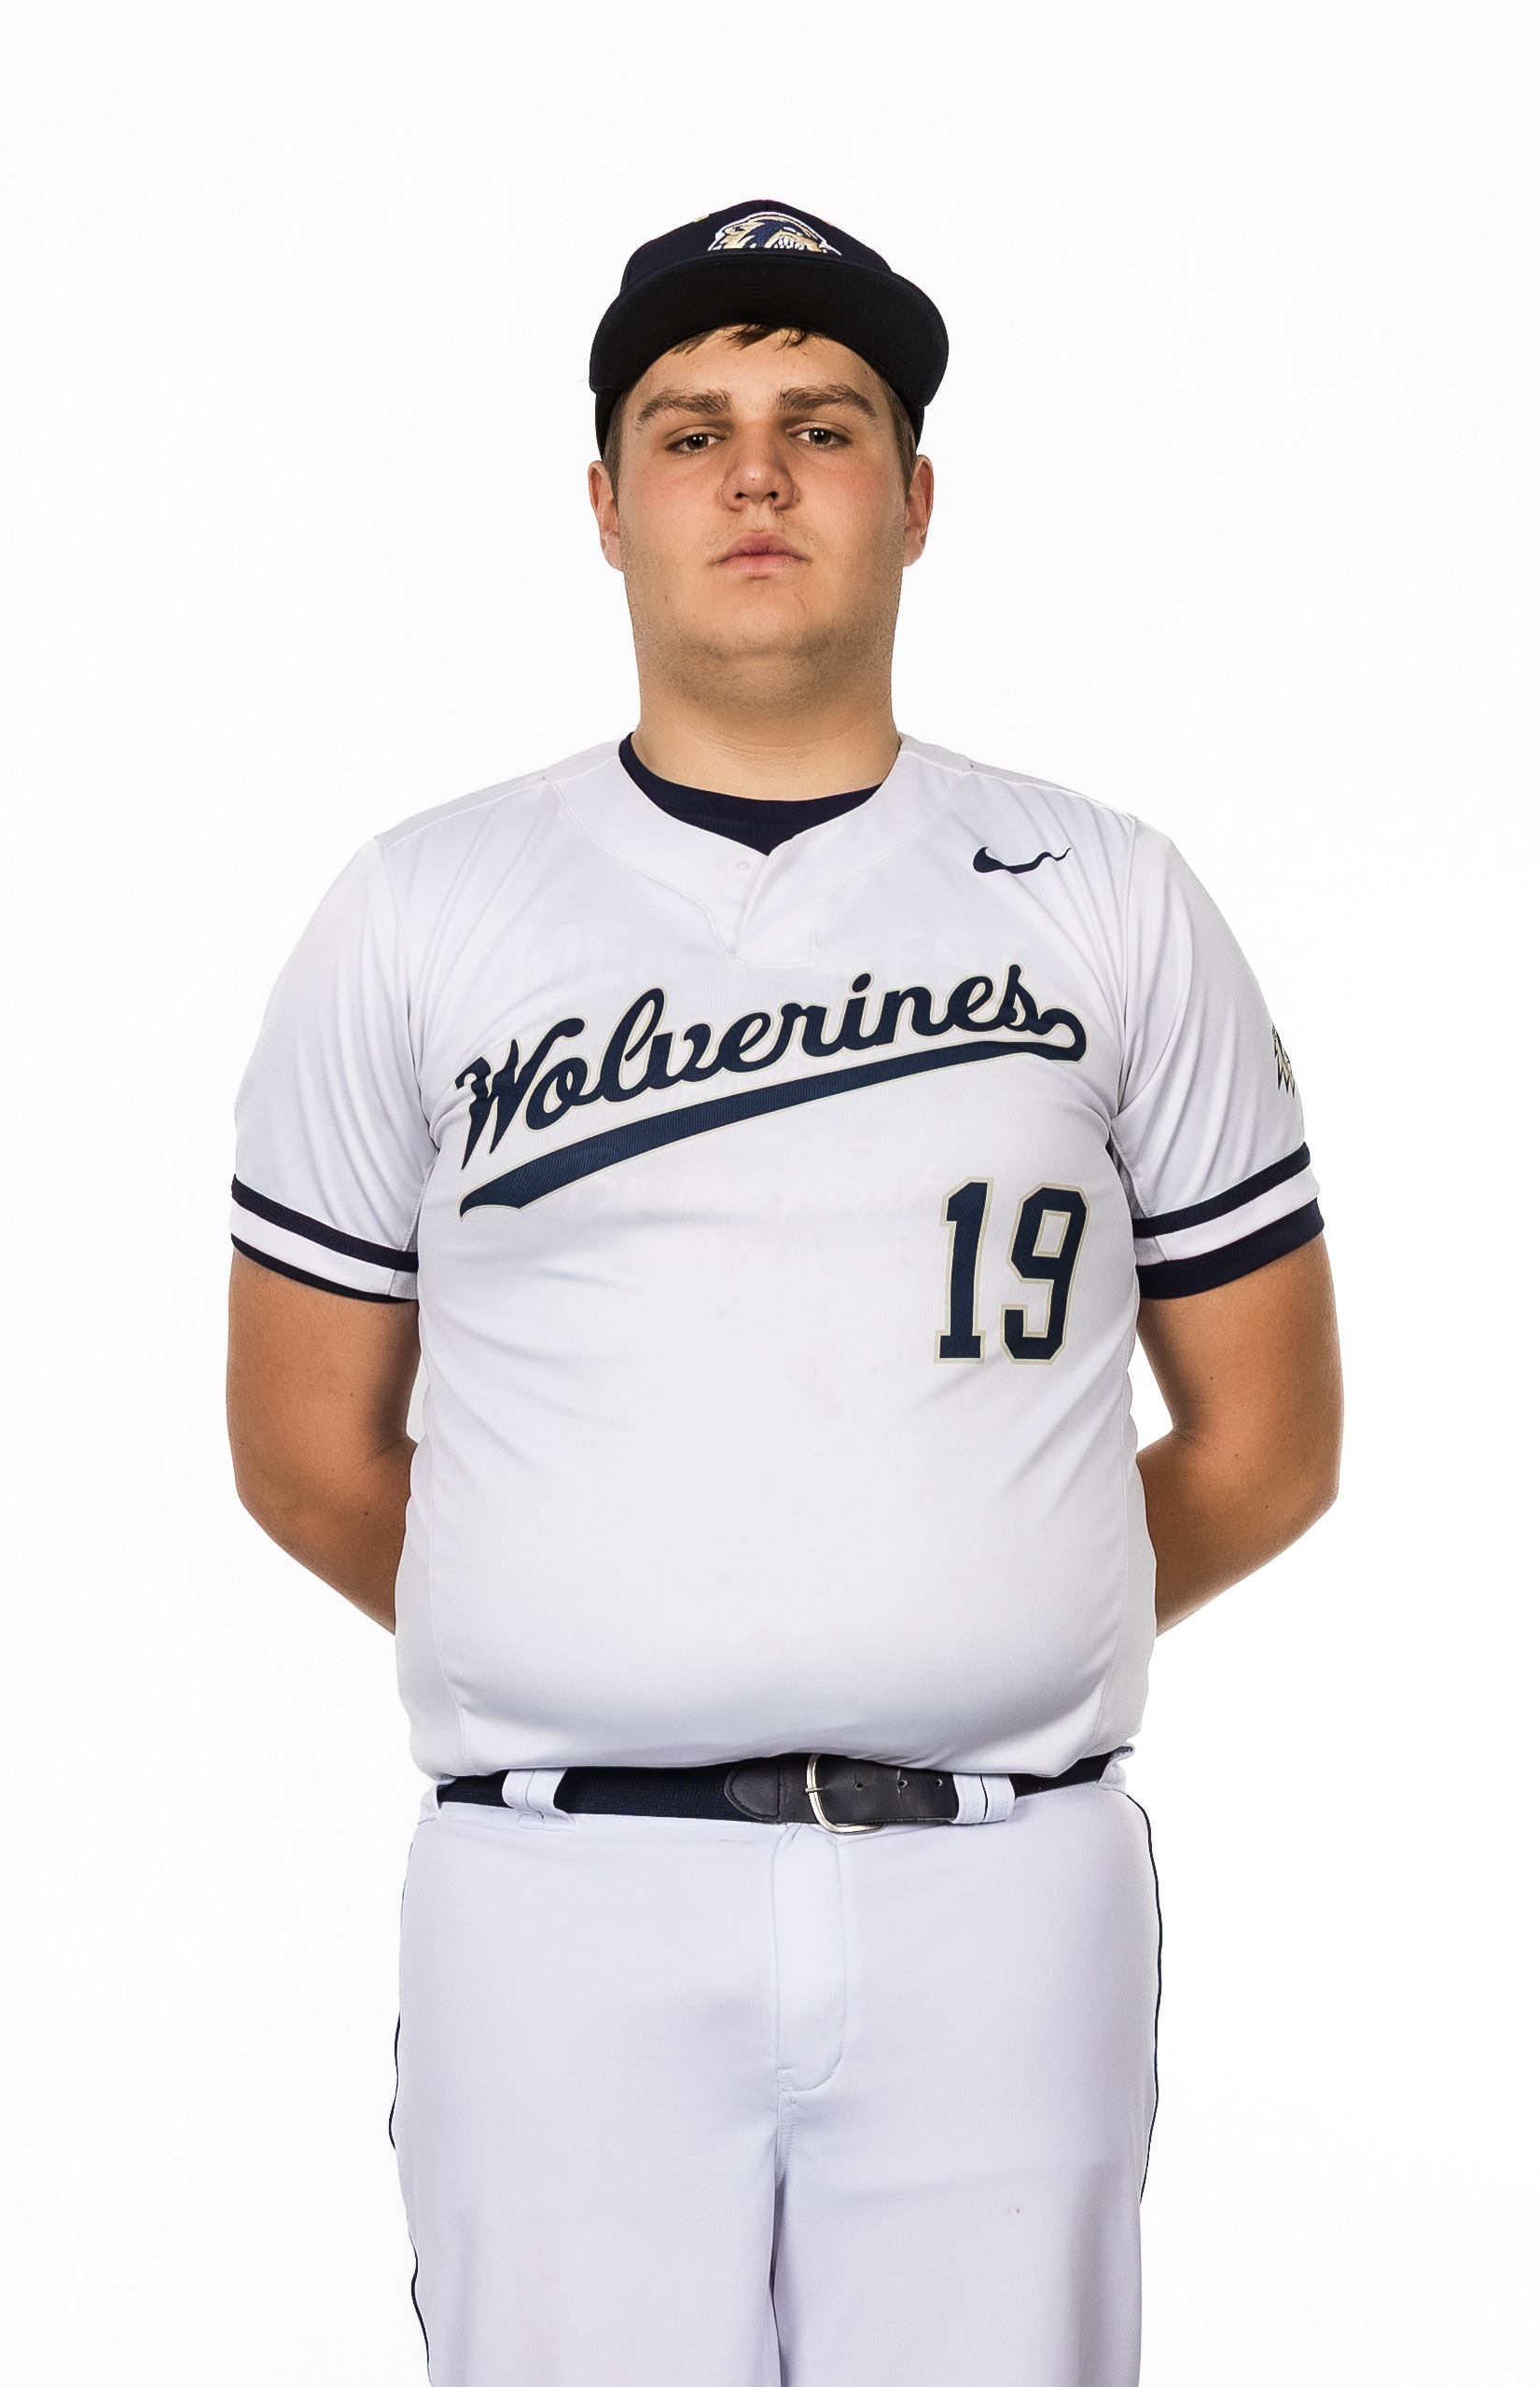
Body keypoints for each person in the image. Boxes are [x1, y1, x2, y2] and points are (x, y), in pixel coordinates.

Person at [226, 200, 1342, 2387]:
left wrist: (983, 1605)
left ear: (912, 501)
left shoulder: (1109, 894)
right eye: (692, 429)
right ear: (606, 504)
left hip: (999, 1881)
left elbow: (1270, 1440)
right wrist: (585, 1614)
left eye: (823, 426)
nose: (756, 474)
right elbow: (301, 1446)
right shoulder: (421, 907)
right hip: (559, 1891)